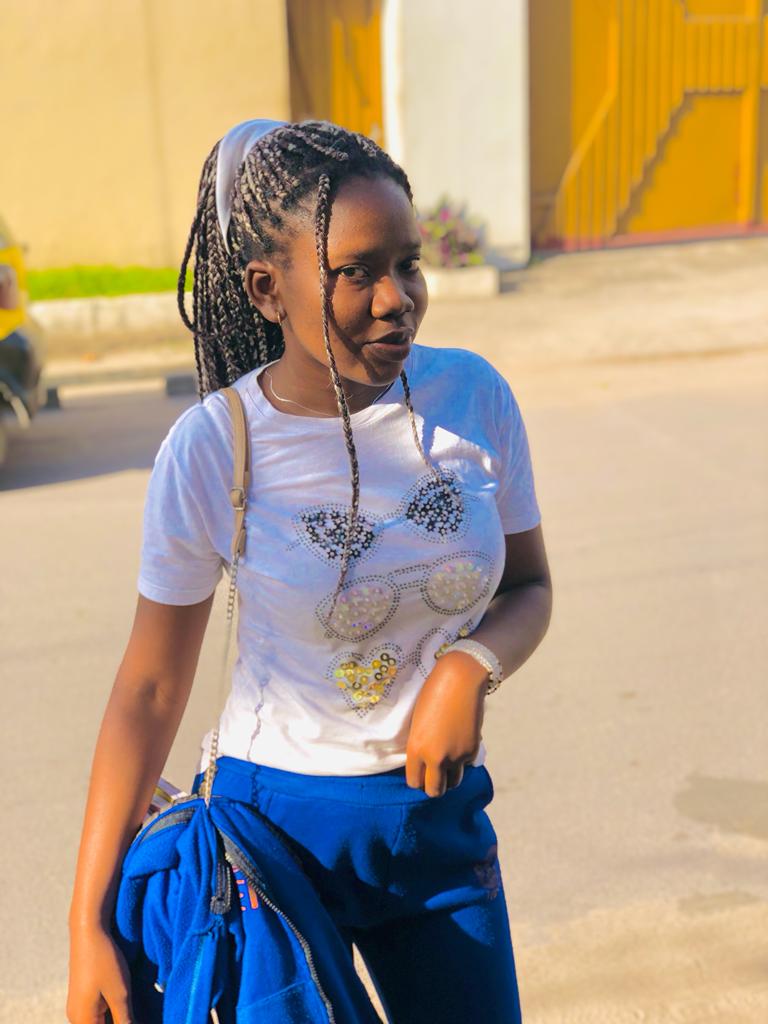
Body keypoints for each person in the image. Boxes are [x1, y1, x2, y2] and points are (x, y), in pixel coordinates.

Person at [67, 118, 553, 1024]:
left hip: (436, 832)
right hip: (273, 845)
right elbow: (149, 687)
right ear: (267, 288)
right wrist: (85, 922)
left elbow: (529, 586)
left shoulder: (473, 397)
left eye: (408, 264)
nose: (397, 298)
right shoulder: (216, 447)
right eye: (357, 272)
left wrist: (468, 665)